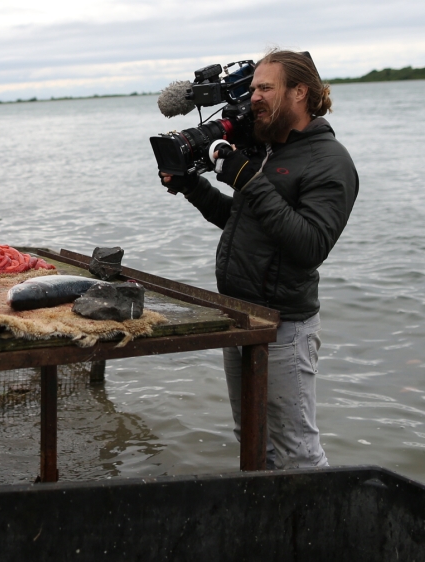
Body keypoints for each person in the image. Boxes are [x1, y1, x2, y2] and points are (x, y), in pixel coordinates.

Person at [162, 49, 358, 469]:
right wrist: (192, 187)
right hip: (241, 315)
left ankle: (318, 514)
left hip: (284, 326)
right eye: (253, 88)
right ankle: (263, 511)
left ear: (300, 92)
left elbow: (309, 246)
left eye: (266, 88)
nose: (254, 98)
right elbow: (242, 221)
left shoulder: (330, 160)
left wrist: (247, 178)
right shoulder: (270, 150)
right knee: (252, 438)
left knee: (298, 454)